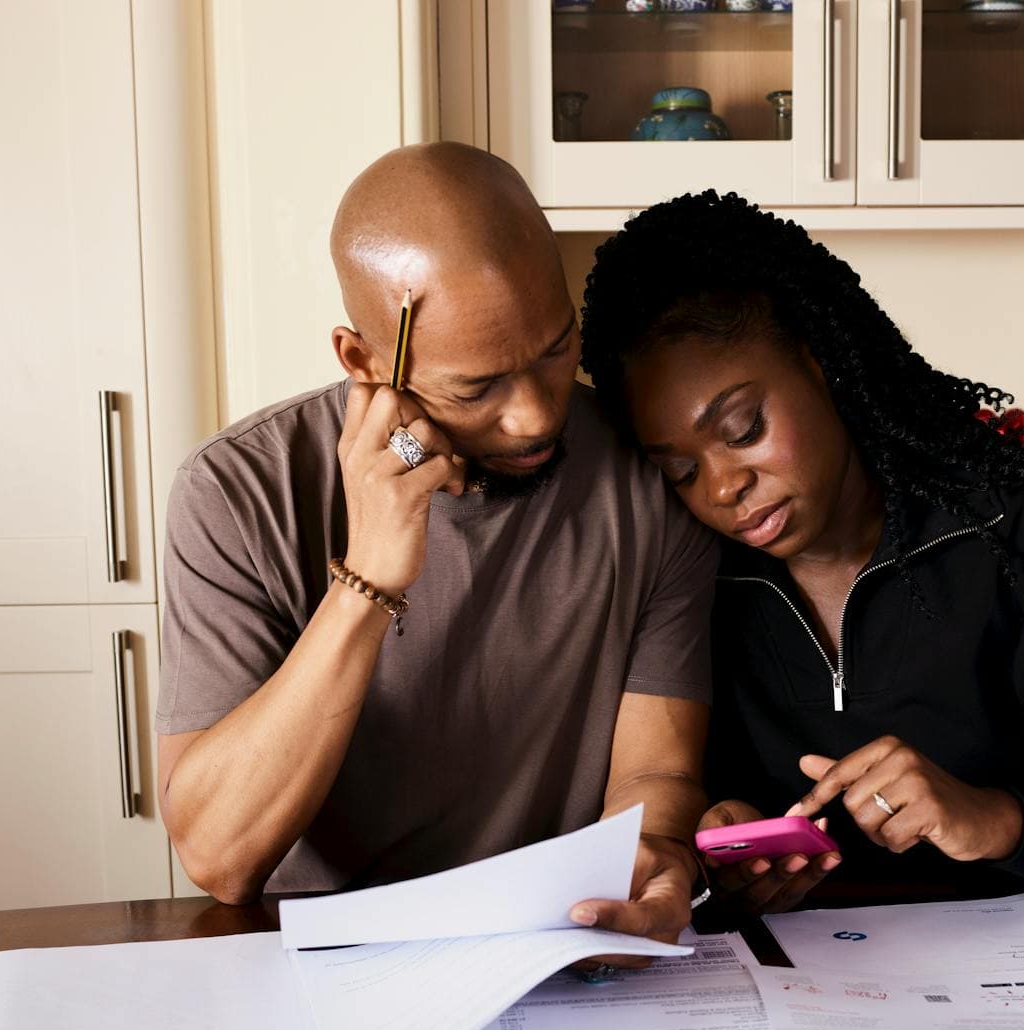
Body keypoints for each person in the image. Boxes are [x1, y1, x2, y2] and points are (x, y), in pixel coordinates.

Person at [579, 191, 1024, 919]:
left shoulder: (1022, 532)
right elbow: (666, 799)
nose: (721, 487)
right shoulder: (688, 577)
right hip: (790, 990)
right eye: (678, 470)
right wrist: (720, 843)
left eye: (743, 429)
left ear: (821, 363)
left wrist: (997, 818)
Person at [154, 145, 715, 956]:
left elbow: (652, 773)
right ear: (362, 360)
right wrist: (371, 575)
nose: (532, 417)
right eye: (476, 387)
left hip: (555, 944)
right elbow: (220, 858)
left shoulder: (649, 474)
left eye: (555, 350)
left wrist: (656, 853)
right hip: (317, 958)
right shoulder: (236, 491)